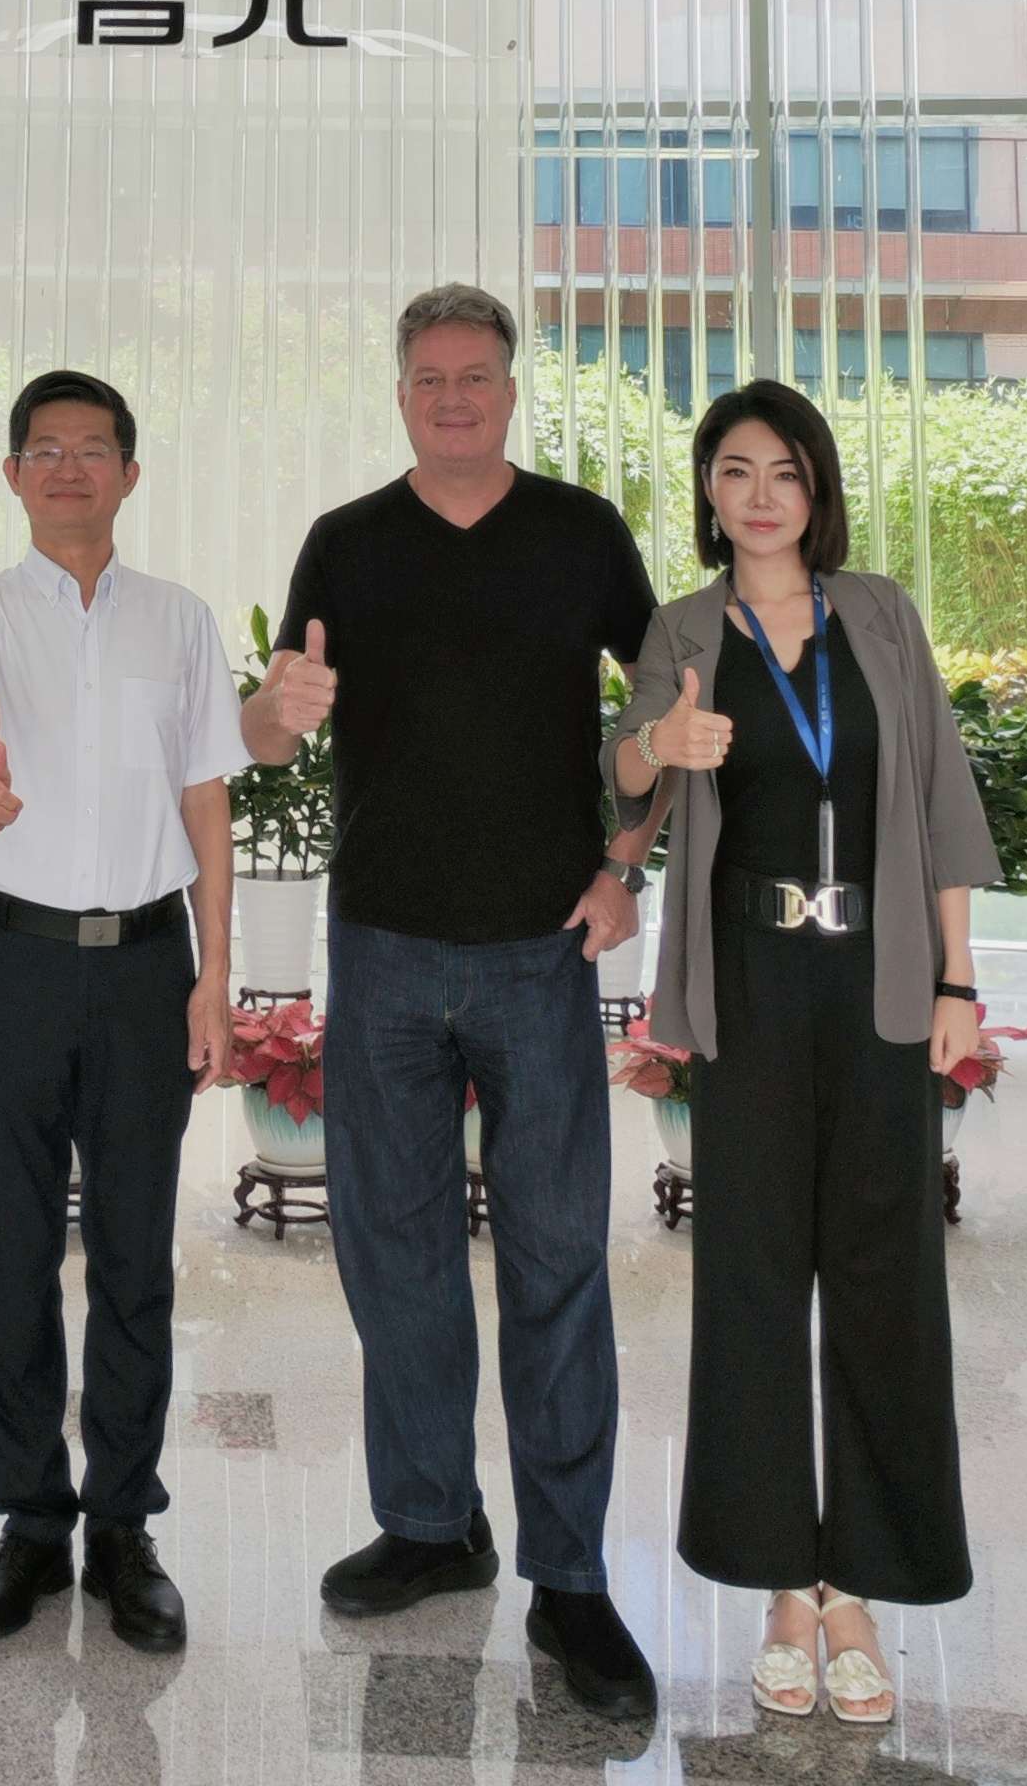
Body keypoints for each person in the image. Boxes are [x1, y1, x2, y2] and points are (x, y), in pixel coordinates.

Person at [241, 283, 662, 1721]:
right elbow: (276, 729)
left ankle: (572, 1576)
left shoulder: (583, 533)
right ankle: (431, 1522)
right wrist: (275, 717)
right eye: (430, 378)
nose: (455, 397)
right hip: (384, 950)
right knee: (396, 1254)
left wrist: (627, 864)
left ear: (512, 388)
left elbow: (662, 715)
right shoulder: (346, 542)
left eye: (476, 375)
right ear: (401, 393)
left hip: (545, 949)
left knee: (556, 1261)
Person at [606, 379, 997, 1726]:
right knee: (755, 1275)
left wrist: (959, 978)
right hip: (754, 980)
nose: (760, 494)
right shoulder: (682, 628)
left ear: (816, 489)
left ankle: (861, 1591)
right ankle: (781, 1585)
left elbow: (940, 794)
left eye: (783, 471)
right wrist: (658, 741)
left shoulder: (878, 613)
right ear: (708, 495)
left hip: (881, 974)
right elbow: (625, 781)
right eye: (735, 471)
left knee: (886, 1275)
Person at [0, 371, 247, 1653]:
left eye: (92, 448)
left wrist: (214, 973)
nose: (68, 467)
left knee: (133, 1254)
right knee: (13, 1252)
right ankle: (27, 1523)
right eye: (43, 449)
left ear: (129, 473)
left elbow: (208, 796)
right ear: (12, 475)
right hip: (13, 959)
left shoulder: (180, 619)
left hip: (147, 967)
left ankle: (123, 1526)